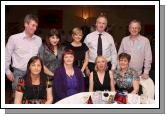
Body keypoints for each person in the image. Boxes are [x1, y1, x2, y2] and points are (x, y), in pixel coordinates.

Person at [5, 14, 42, 97]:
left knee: (32, 98)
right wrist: (7, 71)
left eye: (36, 26)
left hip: (34, 74)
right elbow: (6, 56)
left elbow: (39, 57)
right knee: (18, 100)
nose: (35, 28)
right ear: (26, 24)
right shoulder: (14, 38)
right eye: (33, 25)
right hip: (19, 74)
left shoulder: (38, 40)